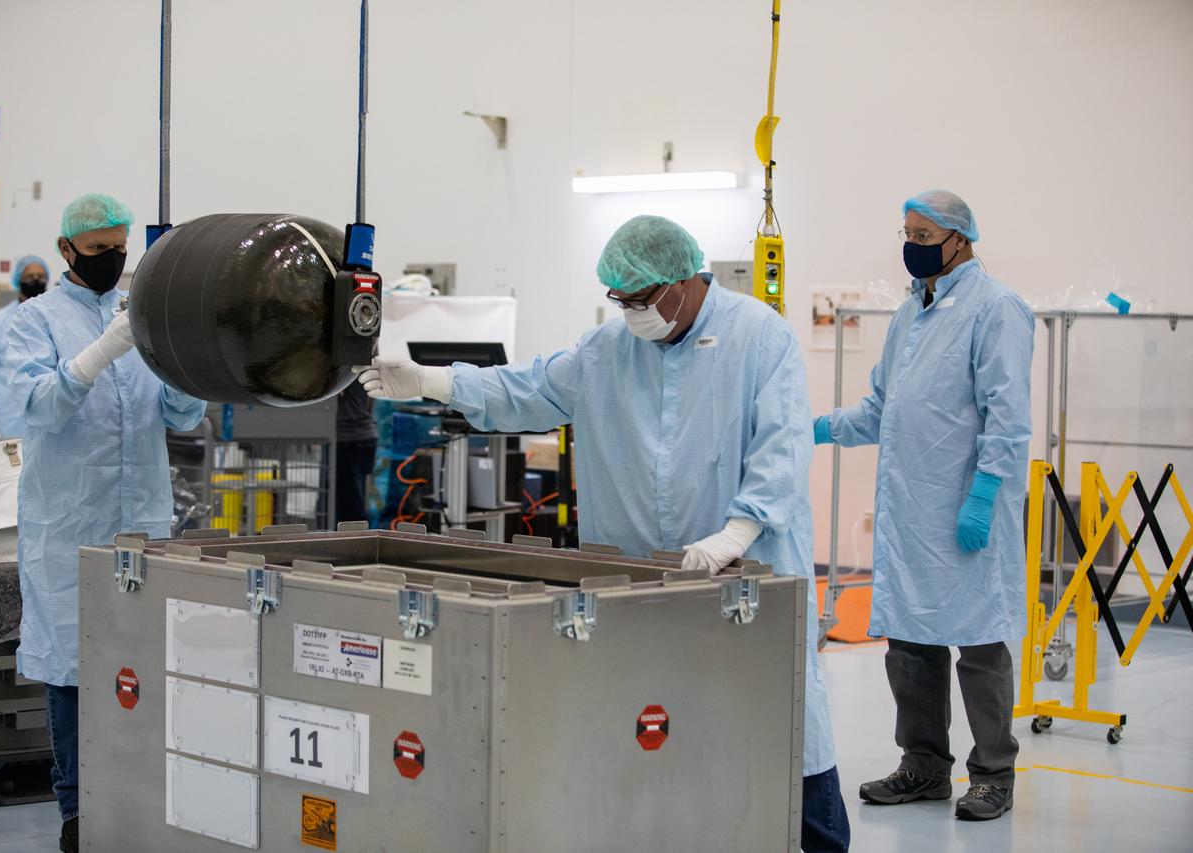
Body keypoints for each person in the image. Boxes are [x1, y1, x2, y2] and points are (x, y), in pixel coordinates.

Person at [357, 215, 850, 852]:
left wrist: (737, 533)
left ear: (684, 280)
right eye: (621, 301)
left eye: (642, 299)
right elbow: (525, 389)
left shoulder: (760, 336)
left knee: (781, 726)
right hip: (639, 584)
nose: (633, 314)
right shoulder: (606, 352)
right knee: (658, 730)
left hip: (747, 577)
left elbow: (783, 443)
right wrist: (432, 379)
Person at [814, 189, 1033, 822]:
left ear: (961, 240)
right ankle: (924, 766)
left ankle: (992, 773)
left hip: (966, 511)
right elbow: (882, 409)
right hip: (911, 513)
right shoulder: (911, 313)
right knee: (909, 642)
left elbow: (1008, 420)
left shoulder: (996, 310)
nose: (911, 246)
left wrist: (984, 496)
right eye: (905, 232)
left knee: (979, 643)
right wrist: (817, 428)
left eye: (924, 236)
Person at [4, 194, 207, 853]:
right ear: (66, 251)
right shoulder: (29, 324)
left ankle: (143, 801)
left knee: (145, 663)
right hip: (68, 527)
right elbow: (35, 407)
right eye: (98, 250)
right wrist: (101, 351)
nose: (114, 259)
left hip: (142, 524)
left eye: (120, 247)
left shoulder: (136, 317)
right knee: (71, 671)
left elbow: (181, 418)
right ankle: (77, 813)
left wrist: (174, 353)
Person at [0, 255, 49, 438]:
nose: (36, 280)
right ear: (18, 280)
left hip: (46, 421)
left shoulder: (55, 319)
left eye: (40, 275)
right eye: (30, 277)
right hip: (7, 420)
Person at [334, 380, 377, 523]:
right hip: (361, 437)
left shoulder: (352, 371)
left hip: (350, 439)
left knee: (349, 504)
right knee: (352, 499)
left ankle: (356, 539)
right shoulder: (365, 369)